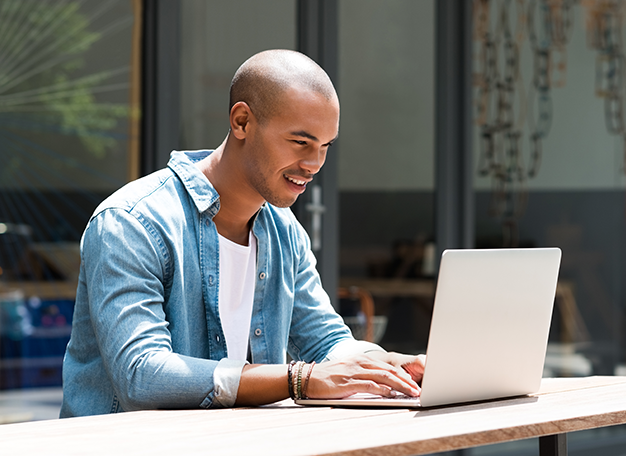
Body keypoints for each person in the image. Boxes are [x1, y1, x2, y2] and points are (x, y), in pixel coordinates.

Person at [60, 49, 425, 417]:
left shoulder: (284, 233)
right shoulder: (132, 223)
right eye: (300, 142)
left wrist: (387, 365)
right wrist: (299, 379)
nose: (314, 164)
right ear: (242, 122)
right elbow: (141, 374)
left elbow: (325, 341)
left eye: (325, 146)